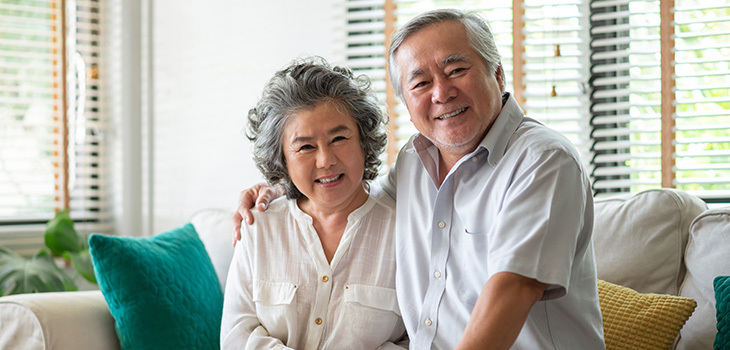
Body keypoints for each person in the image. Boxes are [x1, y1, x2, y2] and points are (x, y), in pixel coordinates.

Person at [233, 9, 605, 349]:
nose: (441, 93)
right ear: (406, 103)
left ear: (497, 72)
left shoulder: (542, 160)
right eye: (421, 83)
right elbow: (349, 192)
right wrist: (279, 188)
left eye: (456, 70)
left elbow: (515, 287)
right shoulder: (414, 162)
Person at [220, 57, 408, 349]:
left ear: (364, 140)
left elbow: (420, 336)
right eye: (305, 147)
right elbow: (236, 336)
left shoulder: (405, 231)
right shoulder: (259, 226)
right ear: (282, 158)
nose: (326, 160)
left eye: (339, 138)